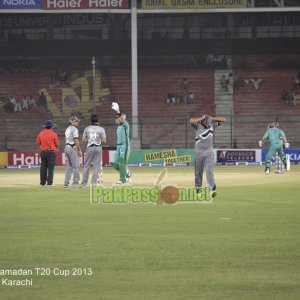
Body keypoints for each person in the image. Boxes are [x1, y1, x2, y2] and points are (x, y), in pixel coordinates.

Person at [190, 114, 226, 198]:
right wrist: (201, 117)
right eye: (206, 121)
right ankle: (198, 189)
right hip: (199, 153)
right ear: (202, 122)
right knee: (198, 172)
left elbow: (224, 120)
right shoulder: (197, 126)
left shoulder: (211, 126)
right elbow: (191, 121)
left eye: (208, 121)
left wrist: (213, 118)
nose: (207, 122)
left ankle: (212, 190)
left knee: (209, 171)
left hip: (209, 153)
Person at [80, 114, 106, 187]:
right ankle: (93, 183)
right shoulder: (101, 129)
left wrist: (90, 139)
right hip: (98, 148)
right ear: (97, 120)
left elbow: (83, 140)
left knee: (86, 165)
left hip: (90, 147)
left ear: (91, 120)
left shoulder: (87, 128)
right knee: (96, 166)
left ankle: (84, 184)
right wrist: (98, 139)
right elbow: (104, 141)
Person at [111, 102, 132, 184]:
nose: (117, 119)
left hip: (124, 145)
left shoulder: (125, 124)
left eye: (119, 118)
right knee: (115, 163)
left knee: (122, 162)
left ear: (123, 118)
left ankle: (123, 179)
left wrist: (117, 110)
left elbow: (122, 119)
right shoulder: (119, 127)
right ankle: (127, 173)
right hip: (118, 146)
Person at [36, 120, 60, 187]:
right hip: (51, 152)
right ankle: (49, 183)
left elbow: (38, 142)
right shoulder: (53, 134)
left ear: (45, 126)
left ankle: (42, 183)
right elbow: (57, 144)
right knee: (50, 168)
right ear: (51, 126)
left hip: (43, 152)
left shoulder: (41, 133)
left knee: (43, 167)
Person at [64, 115, 82, 188]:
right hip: (72, 148)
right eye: (77, 121)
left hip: (67, 147)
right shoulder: (74, 129)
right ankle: (75, 183)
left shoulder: (67, 129)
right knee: (76, 166)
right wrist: (79, 149)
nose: (78, 122)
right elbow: (75, 139)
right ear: (73, 122)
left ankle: (66, 183)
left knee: (69, 167)